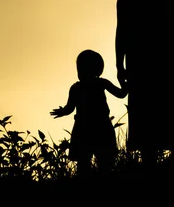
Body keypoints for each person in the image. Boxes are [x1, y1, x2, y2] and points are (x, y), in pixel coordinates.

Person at [115, 0, 174, 172]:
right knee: (144, 124)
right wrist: (119, 66)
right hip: (139, 71)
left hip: (169, 72)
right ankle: (150, 167)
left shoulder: (169, 0)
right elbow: (121, 32)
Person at [50, 49, 128, 178]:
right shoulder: (99, 84)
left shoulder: (77, 87)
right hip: (98, 126)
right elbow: (121, 94)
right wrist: (125, 83)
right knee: (98, 163)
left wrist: (63, 111)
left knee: (89, 163)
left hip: (86, 127)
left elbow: (69, 108)